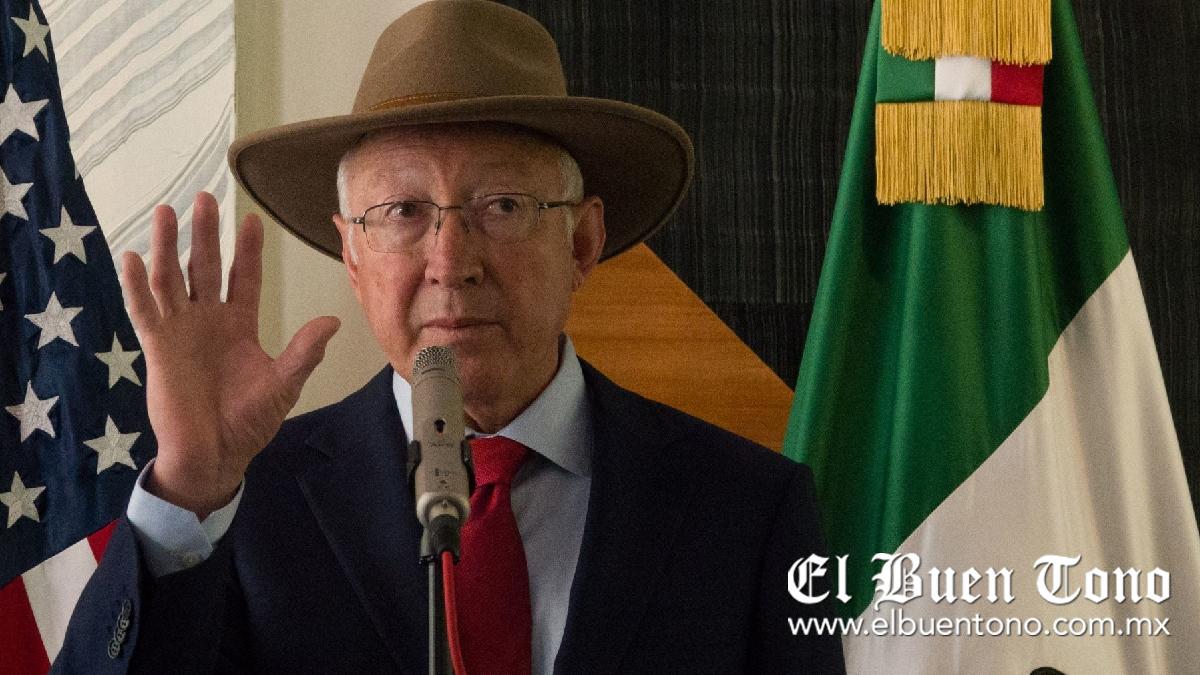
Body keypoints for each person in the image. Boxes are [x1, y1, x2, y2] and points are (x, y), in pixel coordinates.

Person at [54, 1, 845, 673]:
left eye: (503, 205)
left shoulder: (747, 510)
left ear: (581, 242)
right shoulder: (242, 501)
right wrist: (189, 488)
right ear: (352, 254)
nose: (450, 261)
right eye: (402, 211)